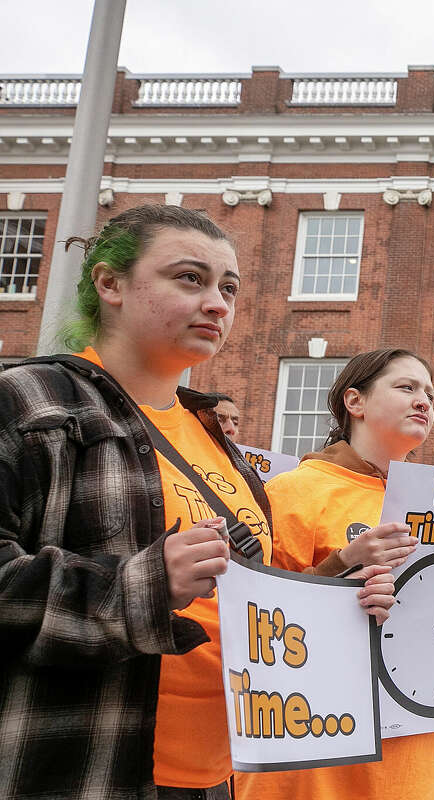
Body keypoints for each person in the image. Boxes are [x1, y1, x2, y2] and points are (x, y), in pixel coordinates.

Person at [1, 206, 265, 798]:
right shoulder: (30, 402)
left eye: (229, 288)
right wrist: (146, 584)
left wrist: (342, 586)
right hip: (88, 769)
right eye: (190, 278)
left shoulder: (218, 441)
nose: (219, 304)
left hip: (219, 776)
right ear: (110, 283)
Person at [235, 348, 434, 800]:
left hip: (416, 761)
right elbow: (252, 621)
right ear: (355, 402)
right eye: (406, 387)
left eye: (429, 392)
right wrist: (341, 566)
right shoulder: (294, 491)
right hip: (318, 764)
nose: (425, 401)